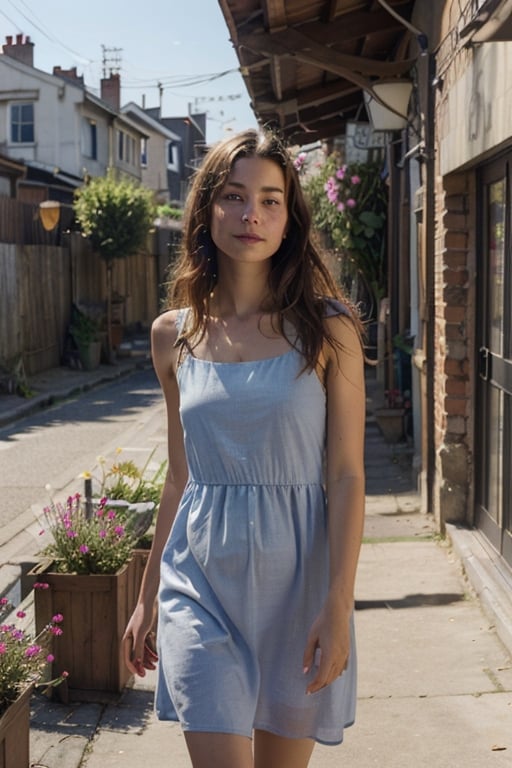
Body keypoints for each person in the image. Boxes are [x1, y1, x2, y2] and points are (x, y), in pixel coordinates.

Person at [123, 128, 366, 768]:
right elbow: (179, 477)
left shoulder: (328, 330)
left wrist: (339, 602)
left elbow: (345, 476)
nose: (250, 215)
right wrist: (146, 597)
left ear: (290, 218)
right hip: (200, 582)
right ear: (207, 209)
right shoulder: (171, 336)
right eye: (233, 196)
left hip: (301, 587)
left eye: (269, 199)